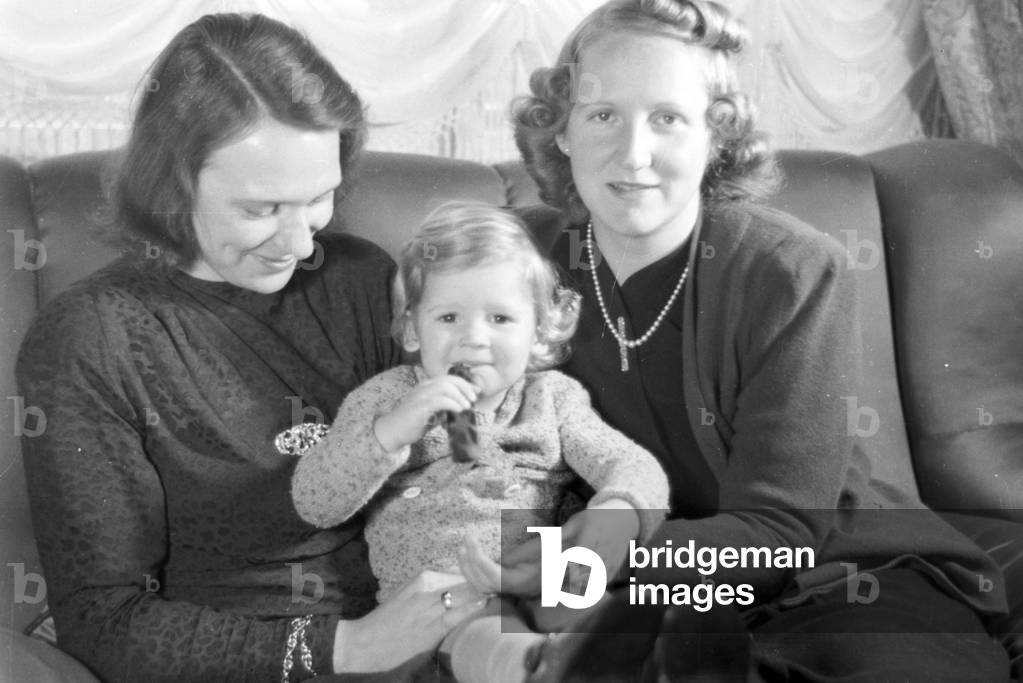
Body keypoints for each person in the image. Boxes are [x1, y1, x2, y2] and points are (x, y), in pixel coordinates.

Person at [490, 0, 1013, 680]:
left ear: (716, 136)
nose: (633, 153)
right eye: (601, 115)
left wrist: (590, 555)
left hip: (831, 574)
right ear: (560, 131)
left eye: (668, 118)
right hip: (627, 587)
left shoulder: (789, 270)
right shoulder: (513, 264)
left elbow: (781, 532)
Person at [16, 14, 487, 683]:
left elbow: (453, 477)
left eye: (319, 197)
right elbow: (105, 621)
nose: (299, 244)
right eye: (261, 209)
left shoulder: (360, 279)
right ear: (173, 185)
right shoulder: (94, 335)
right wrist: (346, 648)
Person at [292, 202, 669, 605]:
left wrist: (614, 513)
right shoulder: (388, 397)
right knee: (484, 635)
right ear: (412, 330)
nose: (473, 337)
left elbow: (632, 466)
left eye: (500, 319)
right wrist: (388, 434)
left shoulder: (552, 399)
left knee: (630, 615)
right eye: (449, 317)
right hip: (438, 604)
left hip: (546, 588)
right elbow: (315, 502)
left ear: (539, 334)